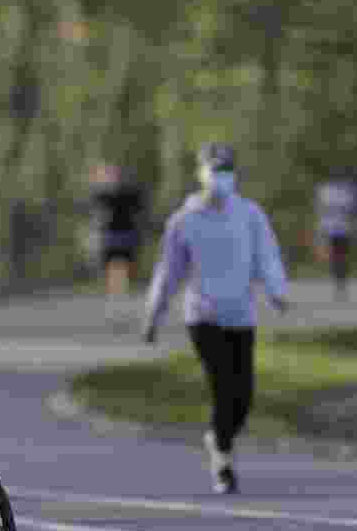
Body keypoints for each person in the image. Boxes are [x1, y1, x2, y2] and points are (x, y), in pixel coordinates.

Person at [143, 143, 289, 494]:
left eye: (226, 170)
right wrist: (154, 313)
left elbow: (266, 255)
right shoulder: (185, 220)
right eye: (214, 170)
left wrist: (276, 290)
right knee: (224, 388)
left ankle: (217, 438)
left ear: (234, 175)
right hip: (203, 317)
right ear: (201, 173)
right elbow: (170, 271)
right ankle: (223, 463)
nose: (220, 177)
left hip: (241, 315)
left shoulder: (249, 215)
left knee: (244, 396)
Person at [88, 162, 146, 297]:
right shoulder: (100, 194)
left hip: (125, 233)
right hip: (109, 234)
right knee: (111, 260)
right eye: (110, 174)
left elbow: (139, 209)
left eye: (115, 174)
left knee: (123, 260)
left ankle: (120, 287)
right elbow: (95, 212)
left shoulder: (130, 193)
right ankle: (115, 287)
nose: (114, 178)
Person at [314, 174, 357, 301]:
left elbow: (354, 211)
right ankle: (338, 283)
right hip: (329, 228)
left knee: (341, 257)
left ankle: (340, 284)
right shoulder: (324, 189)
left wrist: (356, 226)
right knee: (334, 258)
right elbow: (319, 209)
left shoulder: (349, 189)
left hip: (344, 228)